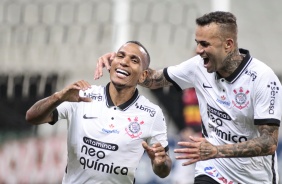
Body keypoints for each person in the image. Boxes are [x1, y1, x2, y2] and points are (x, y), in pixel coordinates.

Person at [94, 11, 282, 184]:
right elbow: (153, 79)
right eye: (197, 42)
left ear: (228, 44)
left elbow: (269, 143)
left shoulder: (263, 79)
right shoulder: (197, 67)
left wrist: (217, 150)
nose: (198, 50)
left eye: (205, 44)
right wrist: (123, 65)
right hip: (213, 170)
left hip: (255, 177)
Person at [26, 41, 172, 184]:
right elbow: (32, 117)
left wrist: (160, 163)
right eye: (120, 56)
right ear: (111, 64)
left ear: (143, 76)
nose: (124, 62)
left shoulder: (152, 113)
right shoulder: (81, 96)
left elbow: (164, 170)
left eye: (134, 60)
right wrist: (57, 97)